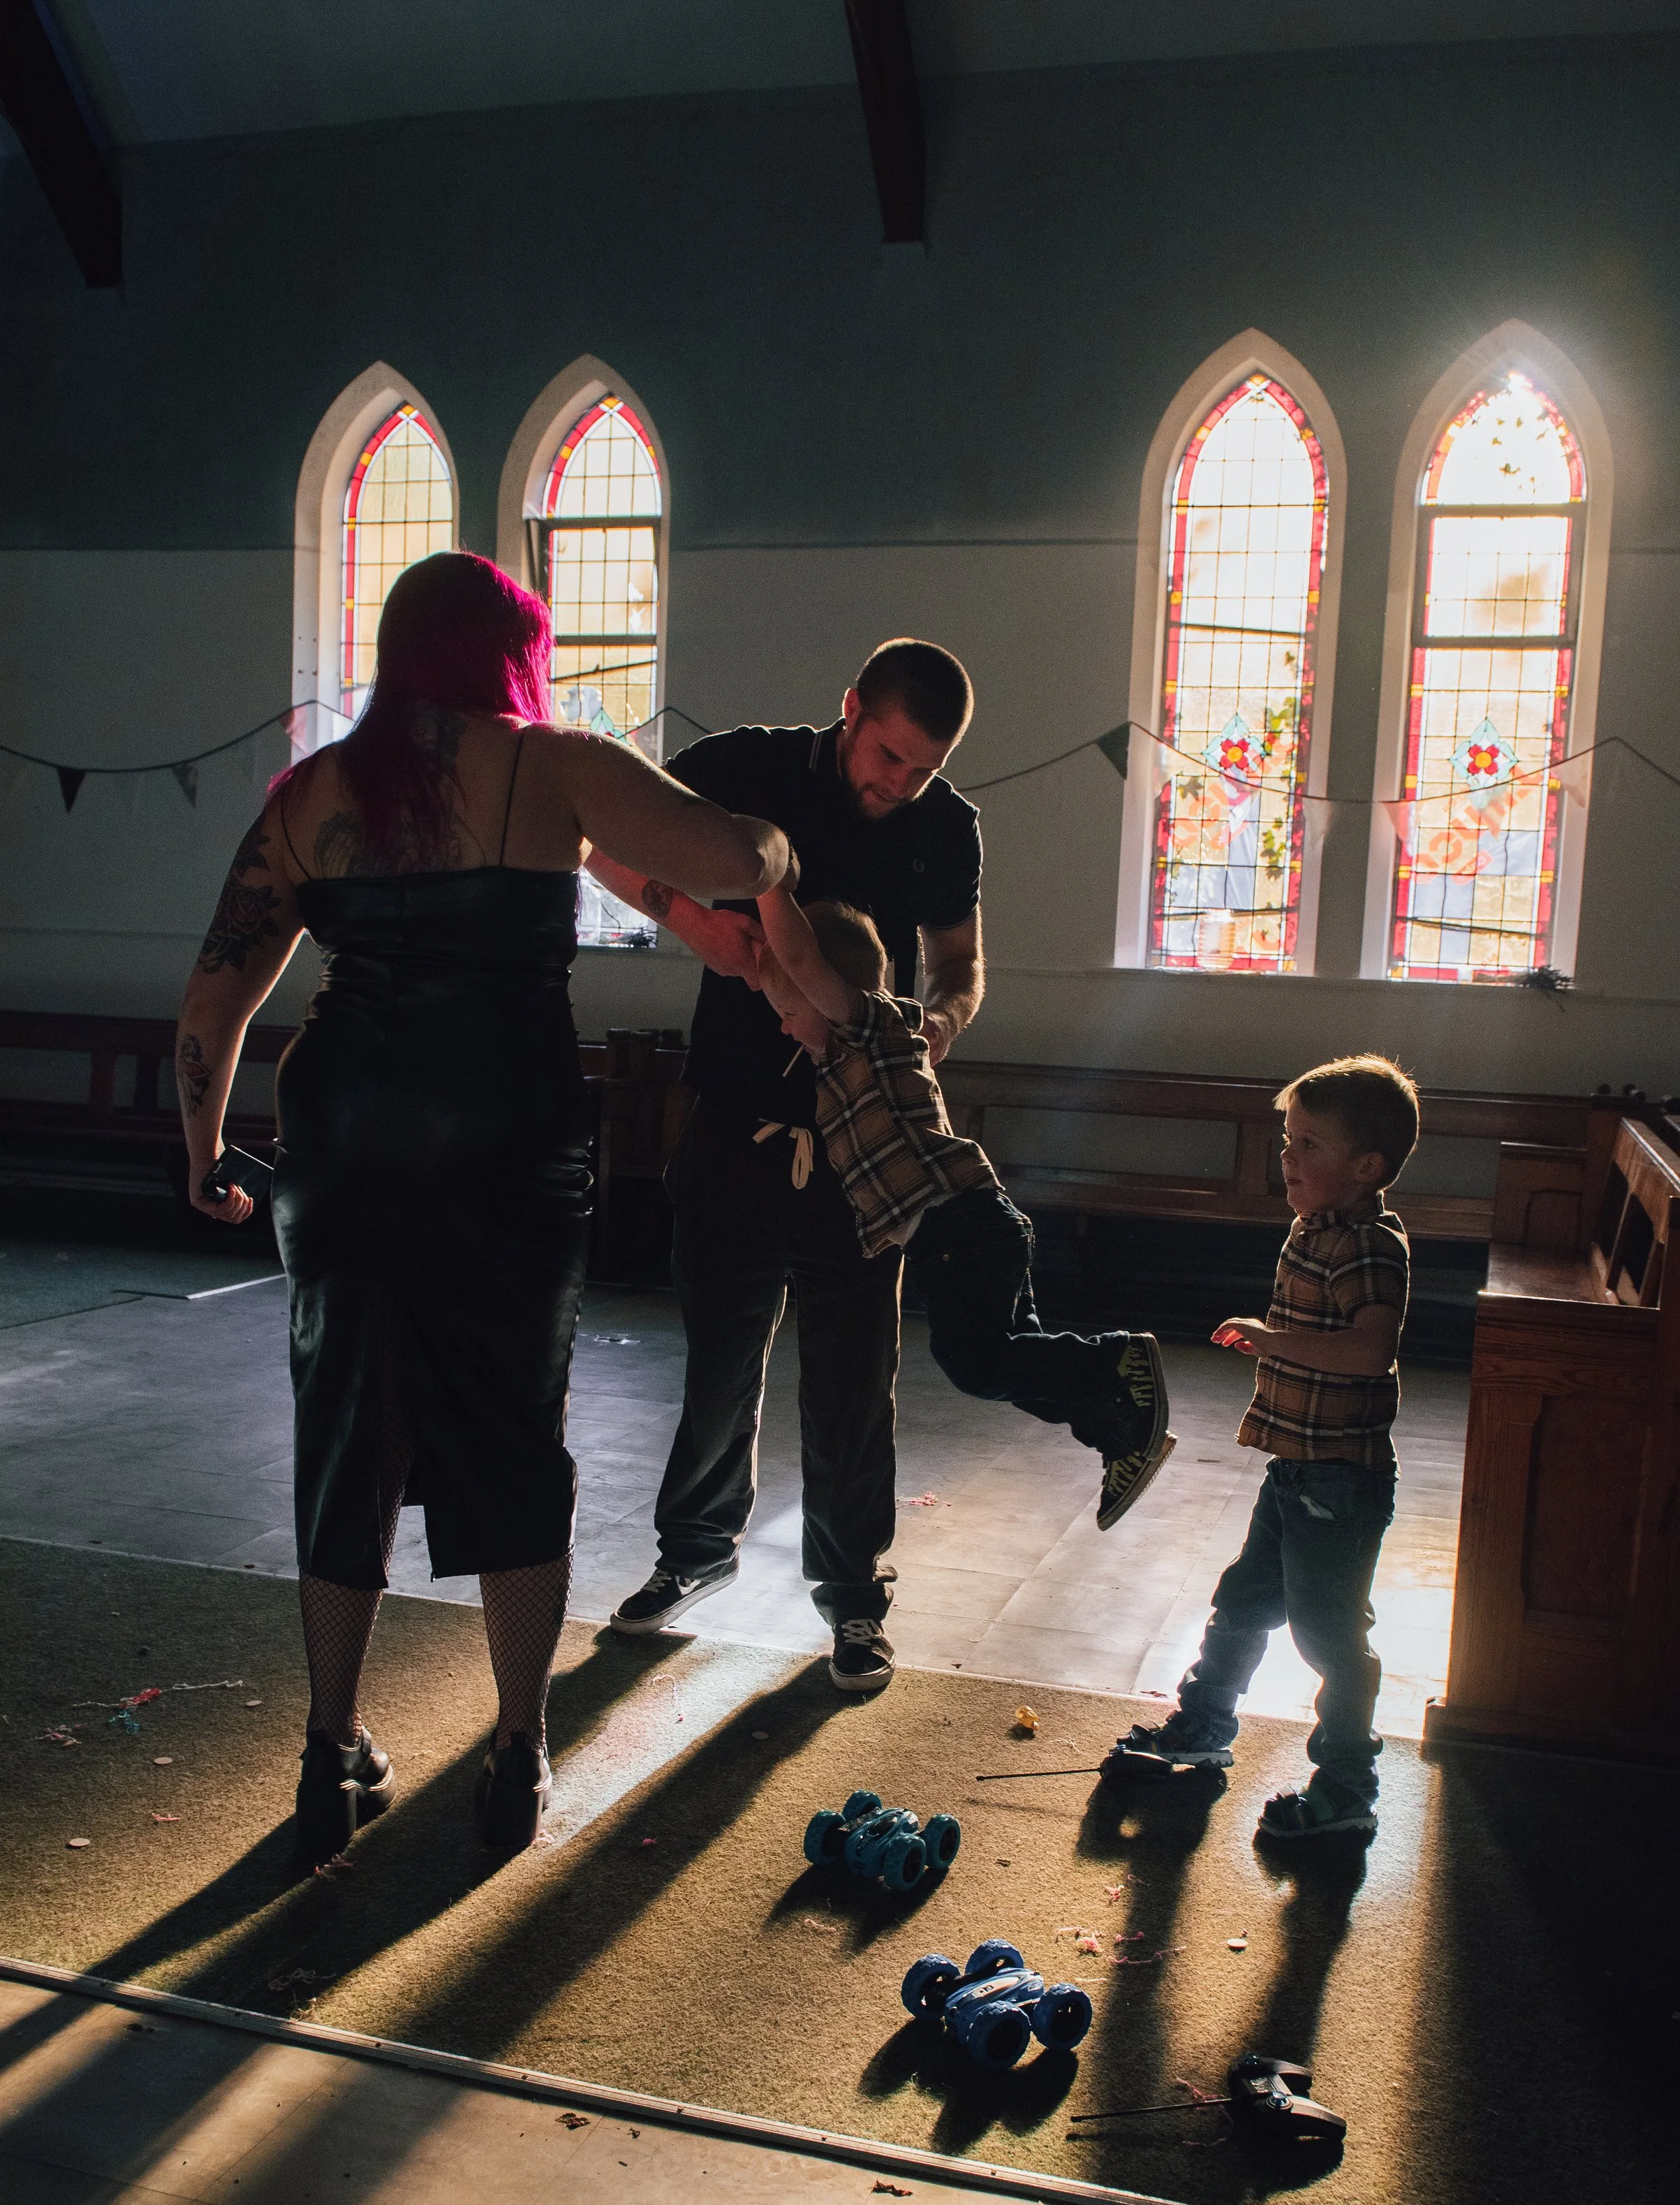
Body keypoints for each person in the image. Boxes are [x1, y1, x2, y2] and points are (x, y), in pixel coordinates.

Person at [174, 551, 790, 1863]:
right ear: (513, 650)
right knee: (517, 1431)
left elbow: (215, 997)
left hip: (343, 1143)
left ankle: (330, 1752)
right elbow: (730, 858)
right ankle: (518, 1749)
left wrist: (204, 1148)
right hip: (506, 1141)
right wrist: (781, 840)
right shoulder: (552, 761)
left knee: (347, 1432)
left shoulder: (311, 796)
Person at [597, 640, 986, 1694]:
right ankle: (694, 1554)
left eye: (923, 768)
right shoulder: (748, 771)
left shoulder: (944, 827)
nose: (898, 783)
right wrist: (695, 926)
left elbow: (959, 963)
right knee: (721, 1356)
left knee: (855, 1378)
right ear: (849, 707)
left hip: (860, 1129)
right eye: (888, 754)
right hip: (733, 1120)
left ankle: (854, 1600)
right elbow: (604, 836)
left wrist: (936, 1024)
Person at [744, 887, 1177, 1523]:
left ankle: (1118, 1357)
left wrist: (764, 879)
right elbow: (777, 971)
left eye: (787, 1007)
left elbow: (802, 963)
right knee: (1015, 1362)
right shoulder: (834, 1057)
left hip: (962, 1228)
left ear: (824, 992)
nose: (781, 1022)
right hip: (959, 1233)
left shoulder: (873, 1028)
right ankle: (1121, 1432)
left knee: (976, 1364)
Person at [1107, 1057, 1418, 1840]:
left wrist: (1272, 1338)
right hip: (1296, 1469)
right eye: (1287, 1140)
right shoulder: (1314, 1226)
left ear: (1365, 1166)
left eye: (1308, 1144)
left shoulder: (1370, 1246)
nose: (1287, 1158)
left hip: (1340, 1482)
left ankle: (1346, 1785)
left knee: (1329, 1636)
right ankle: (1202, 1728)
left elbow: (1368, 1351)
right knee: (1241, 1601)